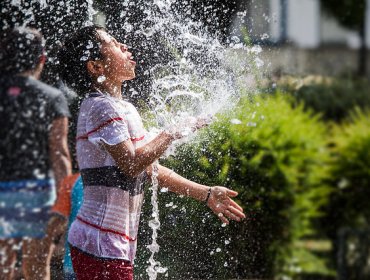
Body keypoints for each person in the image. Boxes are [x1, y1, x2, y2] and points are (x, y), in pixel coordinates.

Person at [57, 25, 245, 280]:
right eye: (112, 43)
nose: (124, 45)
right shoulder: (100, 107)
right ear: (96, 67)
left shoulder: (122, 108)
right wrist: (170, 133)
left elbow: (148, 168)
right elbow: (131, 165)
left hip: (111, 245)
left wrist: (206, 193)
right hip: (100, 245)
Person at [0, 27, 72, 279]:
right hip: (38, 193)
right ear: (41, 59)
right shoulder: (51, 98)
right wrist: (65, 202)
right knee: (37, 268)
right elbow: (60, 154)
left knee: (3, 266)